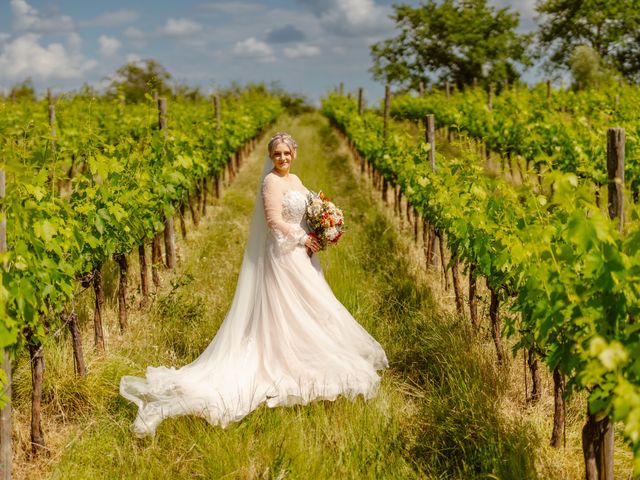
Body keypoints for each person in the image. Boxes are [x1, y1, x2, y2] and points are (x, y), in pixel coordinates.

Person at [120, 132, 388, 437]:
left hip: (304, 254)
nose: (283, 159)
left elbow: (311, 210)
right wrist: (303, 238)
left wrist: (326, 225)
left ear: (294, 154)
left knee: (314, 307)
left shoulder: (297, 179)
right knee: (291, 311)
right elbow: (274, 220)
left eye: (287, 153)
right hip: (285, 255)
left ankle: (311, 356)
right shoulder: (270, 183)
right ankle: (286, 361)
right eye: (277, 154)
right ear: (270, 157)